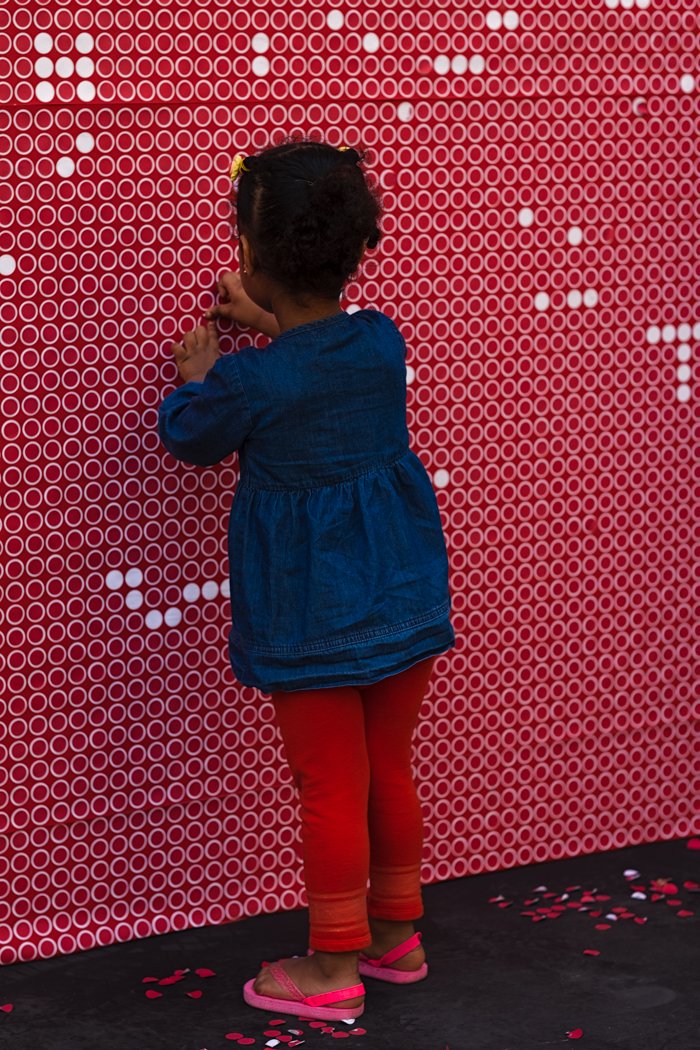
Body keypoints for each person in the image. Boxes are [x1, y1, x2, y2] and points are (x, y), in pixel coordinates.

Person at [158, 134, 456, 1022]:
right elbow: (317, 363)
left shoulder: (249, 382)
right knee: (386, 767)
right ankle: (395, 934)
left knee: (328, 783)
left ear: (250, 254)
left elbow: (191, 438)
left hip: (313, 611)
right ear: (354, 246)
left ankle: (331, 968)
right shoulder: (379, 341)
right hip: (401, 589)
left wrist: (199, 374)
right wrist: (274, 321)